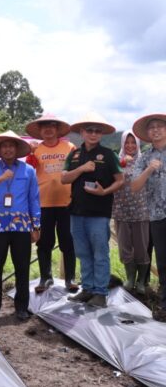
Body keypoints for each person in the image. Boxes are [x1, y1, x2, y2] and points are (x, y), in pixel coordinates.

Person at [0, 131, 40, 322]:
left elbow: (34, 199)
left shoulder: (29, 171)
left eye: (11, 146)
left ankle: (21, 307)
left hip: (21, 226)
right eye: (4, 146)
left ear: (17, 149)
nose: (8, 149)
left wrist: (36, 225)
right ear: (0, 149)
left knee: (22, 268)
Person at [62, 112, 123, 308]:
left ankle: (100, 293)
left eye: (98, 131)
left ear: (102, 134)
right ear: (82, 132)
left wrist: (104, 192)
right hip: (76, 212)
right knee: (82, 252)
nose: (93, 133)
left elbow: (120, 180)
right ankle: (87, 288)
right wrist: (81, 169)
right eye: (89, 130)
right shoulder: (75, 154)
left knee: (100, 253)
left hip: (99, 213)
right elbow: (64, 178)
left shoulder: (108, 154)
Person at [25, 113, 78, 293]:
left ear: (57, 129)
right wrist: (30, 152)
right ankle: (45, 277)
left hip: (67, 204)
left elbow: (77, 171)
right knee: (44, 242)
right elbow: (28, 174)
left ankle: (70, 278)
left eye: (52, 126)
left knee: (68, 242)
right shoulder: (35, 150)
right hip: (43, 204)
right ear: (40, 130)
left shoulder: (69, 147)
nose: (48, 129)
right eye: (44, 126)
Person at [131, 113, 166, 315]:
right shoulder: (144, 157)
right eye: (151, 127)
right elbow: (134, 186)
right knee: (163, 261)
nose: (155, 130)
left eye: (159, 126)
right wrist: (148, 170)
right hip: (157, 216)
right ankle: (164, 304)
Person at [112, 130, 150, 294]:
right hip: (120, 210)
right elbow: (108, 178)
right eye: (126, 143)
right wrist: (121, 163)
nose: (130, 146)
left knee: (141, 247)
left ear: (138, 144)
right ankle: (130, 279)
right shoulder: (116, 160)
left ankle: (141, 281)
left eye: (133, 142)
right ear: (122, 144)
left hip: (141, 211)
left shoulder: (145, 160)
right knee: (125, 247)